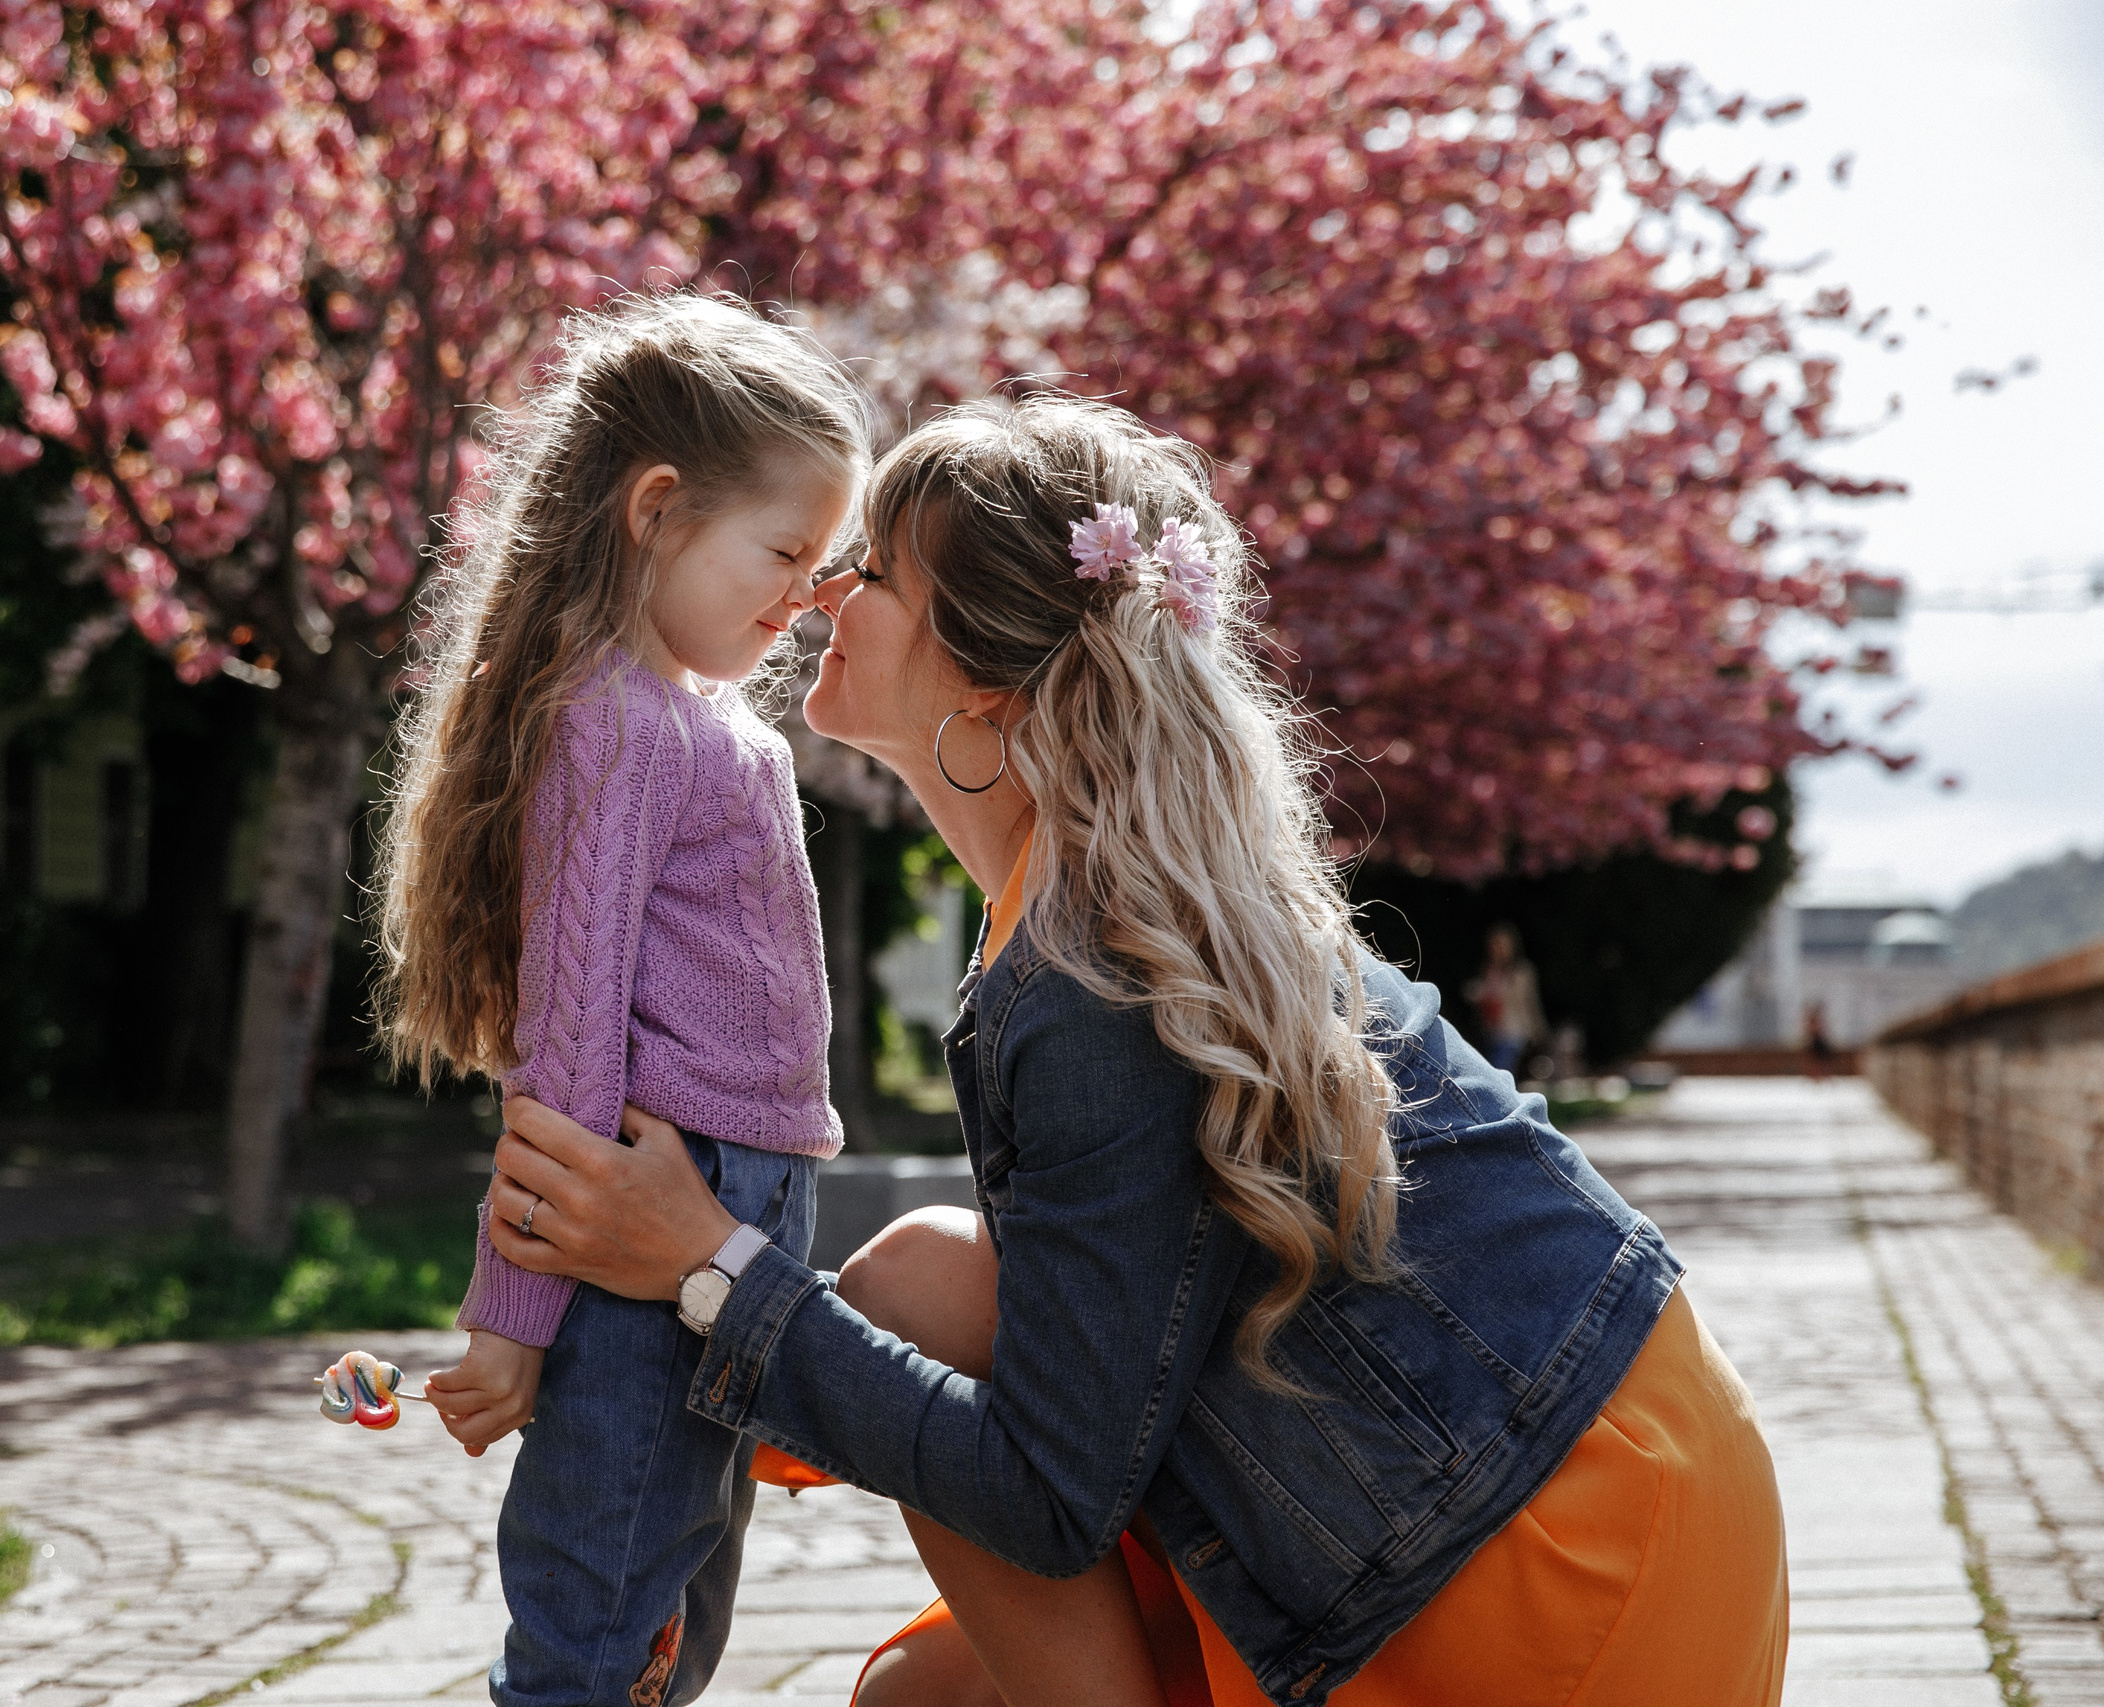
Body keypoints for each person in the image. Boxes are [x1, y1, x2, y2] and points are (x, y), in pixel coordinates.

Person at [479, 395, 1789, 1706]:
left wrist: (711, 1268)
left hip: (1552, 1560)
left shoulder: (1094, 972)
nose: (820, 589)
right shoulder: (1090, 905)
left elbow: (1044, 1497)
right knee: (915, 1693)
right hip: (1605, 1480)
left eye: (871, 570)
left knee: (904, 1295)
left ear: (984, 682)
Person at [370, 292, 872, 1707]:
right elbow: (571, 1044)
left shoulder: (695, 716)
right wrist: (512, 1315)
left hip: (731, 1205)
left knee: (678, 1591)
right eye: (783, 552)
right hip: (650, 1214)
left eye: (822, 568)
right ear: (656, 508)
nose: (800, 599)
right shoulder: (614, 719)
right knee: (599, 1606)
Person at [1466, 922, 1546, 1081]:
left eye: (1502, 944)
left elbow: (1530, 1004)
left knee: (1500, 1073)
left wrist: (1539, 1031)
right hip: (1492, 1032)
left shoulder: (1522, 972)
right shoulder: (1488, 970)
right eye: (1494, 944)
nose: (1498, 949)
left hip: (1514, 1032)